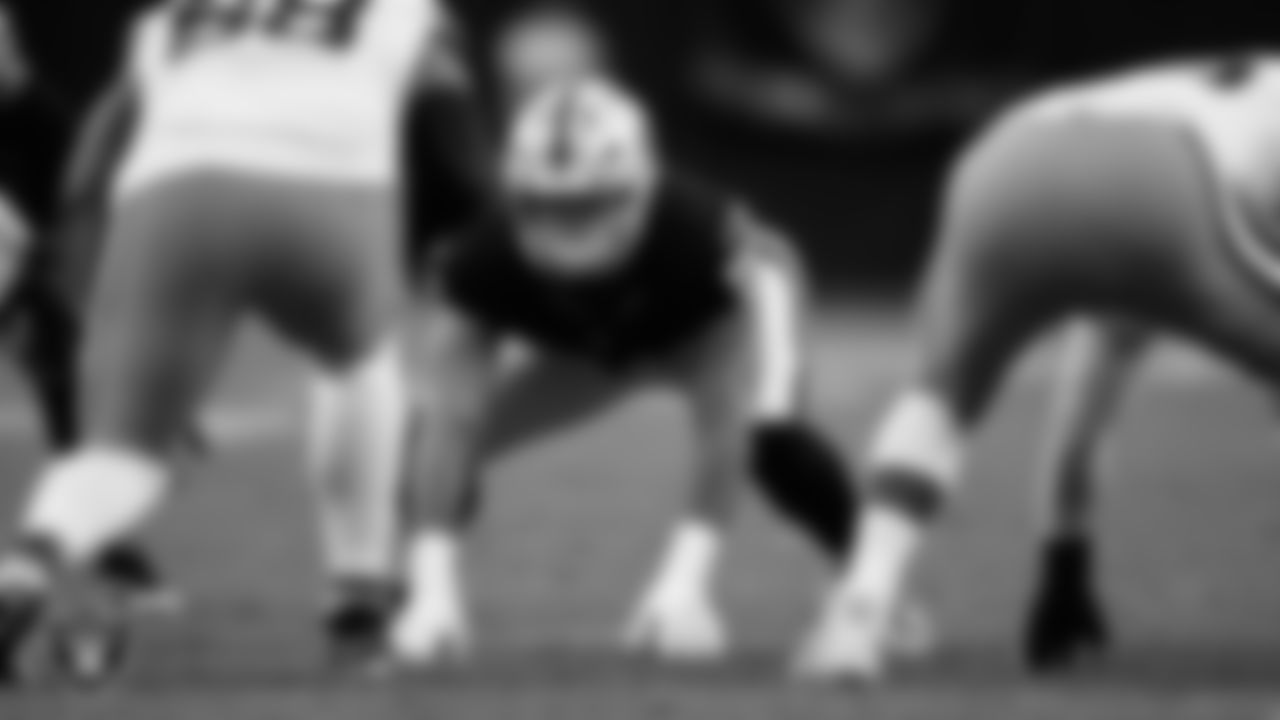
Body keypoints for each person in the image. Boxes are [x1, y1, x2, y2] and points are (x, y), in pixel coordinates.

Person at [0, 0, 474, 683]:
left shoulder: (176, 16)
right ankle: (359, 605)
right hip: (329, 189)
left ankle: (29, 560)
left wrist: (81, 255)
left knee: (123, 451)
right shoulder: (402, 14)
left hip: (172, 198)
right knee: (358, 363)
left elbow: (98, 145)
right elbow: (459, 155)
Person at [388, 77, 927, 665]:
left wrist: (684, 583)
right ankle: (423, 596)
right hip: (591, 348)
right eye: (548, 206)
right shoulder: (482, 257)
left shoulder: (696, 237)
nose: (570, 229)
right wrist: (434, 591)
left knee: (771, 433)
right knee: (424, 445)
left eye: (590, 205)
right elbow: (452, 418)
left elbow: (727, 416)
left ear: (641, 185)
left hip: (698, 332)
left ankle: (873, 588)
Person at [795, 54, 1280, 681]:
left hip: (1006, 158)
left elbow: (1090, 386)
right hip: (1162, 172)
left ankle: (861, 608)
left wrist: (1064, 559)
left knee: (939, 398)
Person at [0, 5, 177, 612]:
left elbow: (74, 233)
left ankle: (97, 539)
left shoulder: (42, 124)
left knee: (63, 363)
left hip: (34, 266)